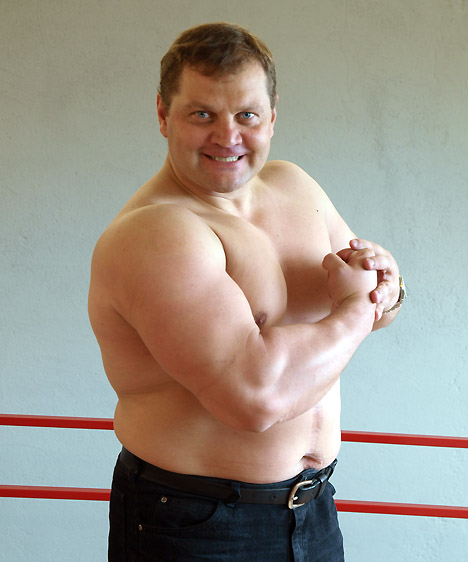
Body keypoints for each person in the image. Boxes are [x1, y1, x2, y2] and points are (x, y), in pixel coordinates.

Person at [88, 22, 404, 562]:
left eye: (247, 115)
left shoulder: (296, 187)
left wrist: (389, 285)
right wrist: (359, 306)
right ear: (163, 114)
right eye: (202, 114)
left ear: (272, 117)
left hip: (314, 508)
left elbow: (376, 301)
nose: (227, 136)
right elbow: (255, 398)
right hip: (197, 523)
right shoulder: (156, 233)